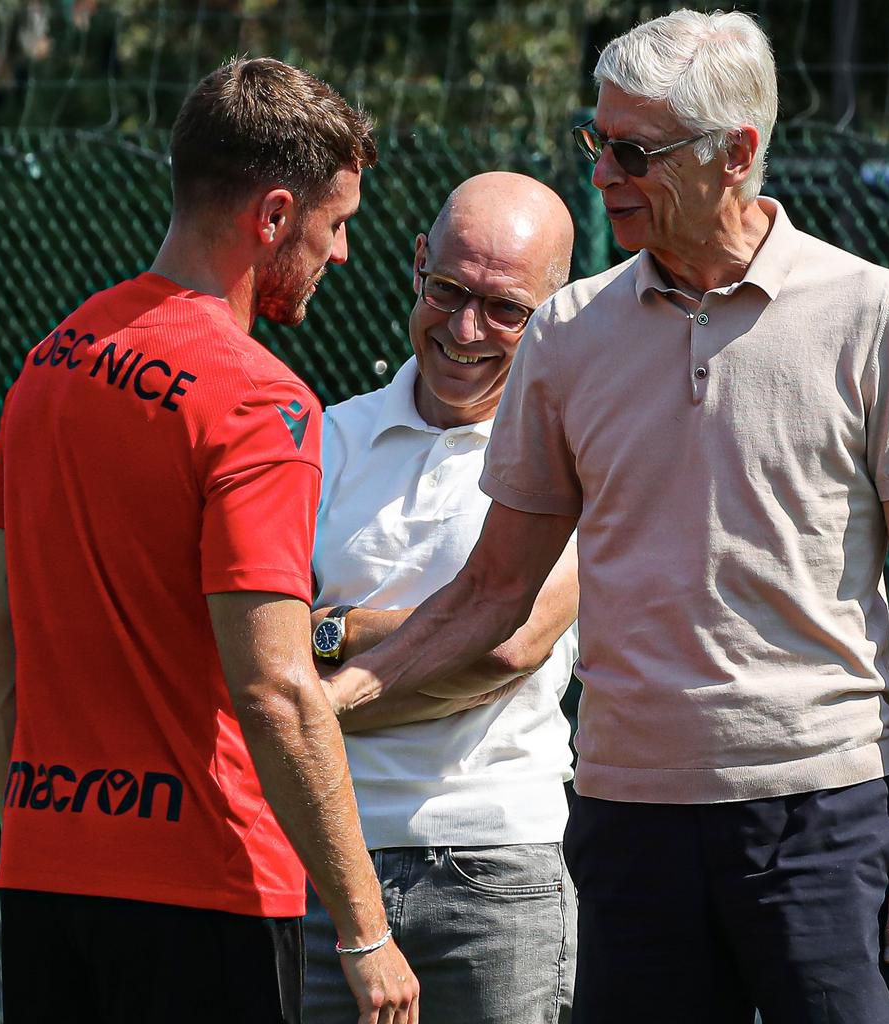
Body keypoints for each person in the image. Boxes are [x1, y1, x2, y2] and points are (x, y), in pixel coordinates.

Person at [322, 10, 889, 1024]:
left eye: (632, 151)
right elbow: (492, 591)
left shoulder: (874, 312)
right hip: (628, 825)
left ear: (737, 154)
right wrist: (329, 701)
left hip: (825, 816)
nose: (601, 174)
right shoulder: (566, 336)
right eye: (598, 142)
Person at [0, 57, 418, 1024]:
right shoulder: (259, 401)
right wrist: (366, 928)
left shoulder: (46, 366)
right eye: (335, 226)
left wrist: (35, 824)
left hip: (44, 875)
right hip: (206, 887)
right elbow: (277, 686)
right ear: (274, 216)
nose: (341, 255)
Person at [301, 172, 579, 1024]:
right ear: (418, 265)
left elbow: (508, 645)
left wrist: (328, 642)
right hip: (316, 862)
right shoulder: (322, 439)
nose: (466, 330)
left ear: (556, 312)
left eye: (505, 309)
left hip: (498, 871)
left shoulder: (575, 459)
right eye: (450, 290)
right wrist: (451, 622)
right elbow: (248, 644)